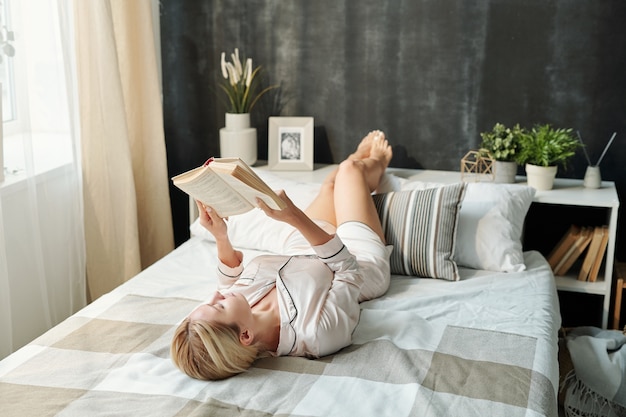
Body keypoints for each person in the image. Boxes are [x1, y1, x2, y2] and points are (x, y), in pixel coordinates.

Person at [171, 130, 393, 380]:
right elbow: (348, 271)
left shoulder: (238, 309)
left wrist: (221, 236)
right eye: (219, 305)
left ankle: (351, 167)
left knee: (331, 185)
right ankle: (376, 162)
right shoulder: (315, 334)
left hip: (301, 249)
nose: (216, 294)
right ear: (246, 336)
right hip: (356, 260)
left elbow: (229, 281)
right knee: (350, 169)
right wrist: (294, 216)